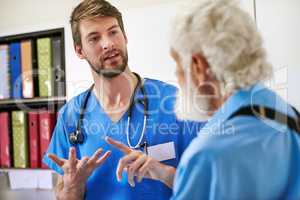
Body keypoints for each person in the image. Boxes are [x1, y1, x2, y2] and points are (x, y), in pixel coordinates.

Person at [42, 0, 203, 200]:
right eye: (94, 38)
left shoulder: (174, 102)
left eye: (113, 32)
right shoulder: (71, 115)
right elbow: (64, 196)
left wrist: (163, 172)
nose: (108, 43)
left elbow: (210, 184)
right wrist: (73, 186)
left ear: (125, 36)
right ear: (79, 51)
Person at [164, 0, 300, 199]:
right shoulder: (288, 117)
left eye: (177, 63)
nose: (177, 74)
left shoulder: (206, 155)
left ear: (198, 65)